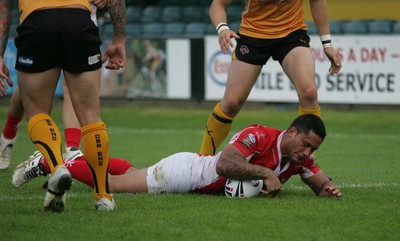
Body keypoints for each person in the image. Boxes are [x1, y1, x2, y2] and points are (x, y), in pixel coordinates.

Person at [14, 114, 342, 198]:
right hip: (184, 174)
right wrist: (264, 173)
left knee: (130, 171)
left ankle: (63, 160)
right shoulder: (260, 135)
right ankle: (49, 162)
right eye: (307, 145)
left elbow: (319, 180)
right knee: (111, 185)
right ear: (293, 132)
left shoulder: (298, 158)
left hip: (185, 169)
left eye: (313, 150)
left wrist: (327, 189)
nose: (308, 153)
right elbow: (225, 163)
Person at [0, 0, 126, 212]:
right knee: (91, 116)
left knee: (38, 111)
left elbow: (4, 6)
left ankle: (57, 167)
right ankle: (103, 196)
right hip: (78, 21)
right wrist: (119, 39)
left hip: (37, 22)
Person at [199, 0, 343, 155]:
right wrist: (222, 29)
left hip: (291, 35)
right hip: (253, 37)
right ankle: (202, 160)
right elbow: (218, 4)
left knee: (309, 93)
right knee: (231, 103)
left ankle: (307, 163)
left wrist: (327, 43)